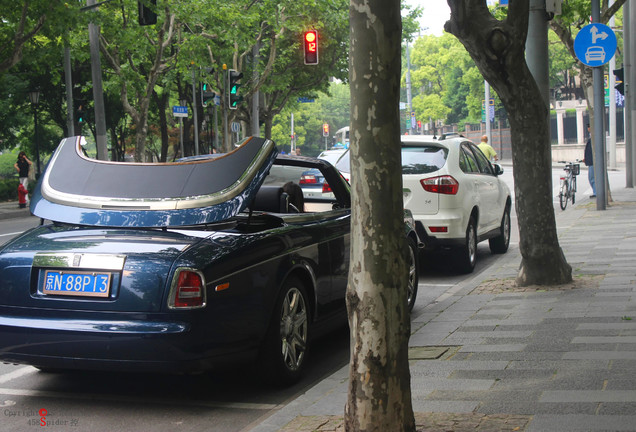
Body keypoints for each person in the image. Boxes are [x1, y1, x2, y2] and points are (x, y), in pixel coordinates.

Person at [584, 124, 596, 198]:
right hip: (590, 161)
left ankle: (596, 192)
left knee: (592, 178)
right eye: (588, 127)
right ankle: (595, 191)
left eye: (589, 126)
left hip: (592, 161)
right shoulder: (591, 137)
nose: (588, 128)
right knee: (591, 178)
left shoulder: (594, 137)